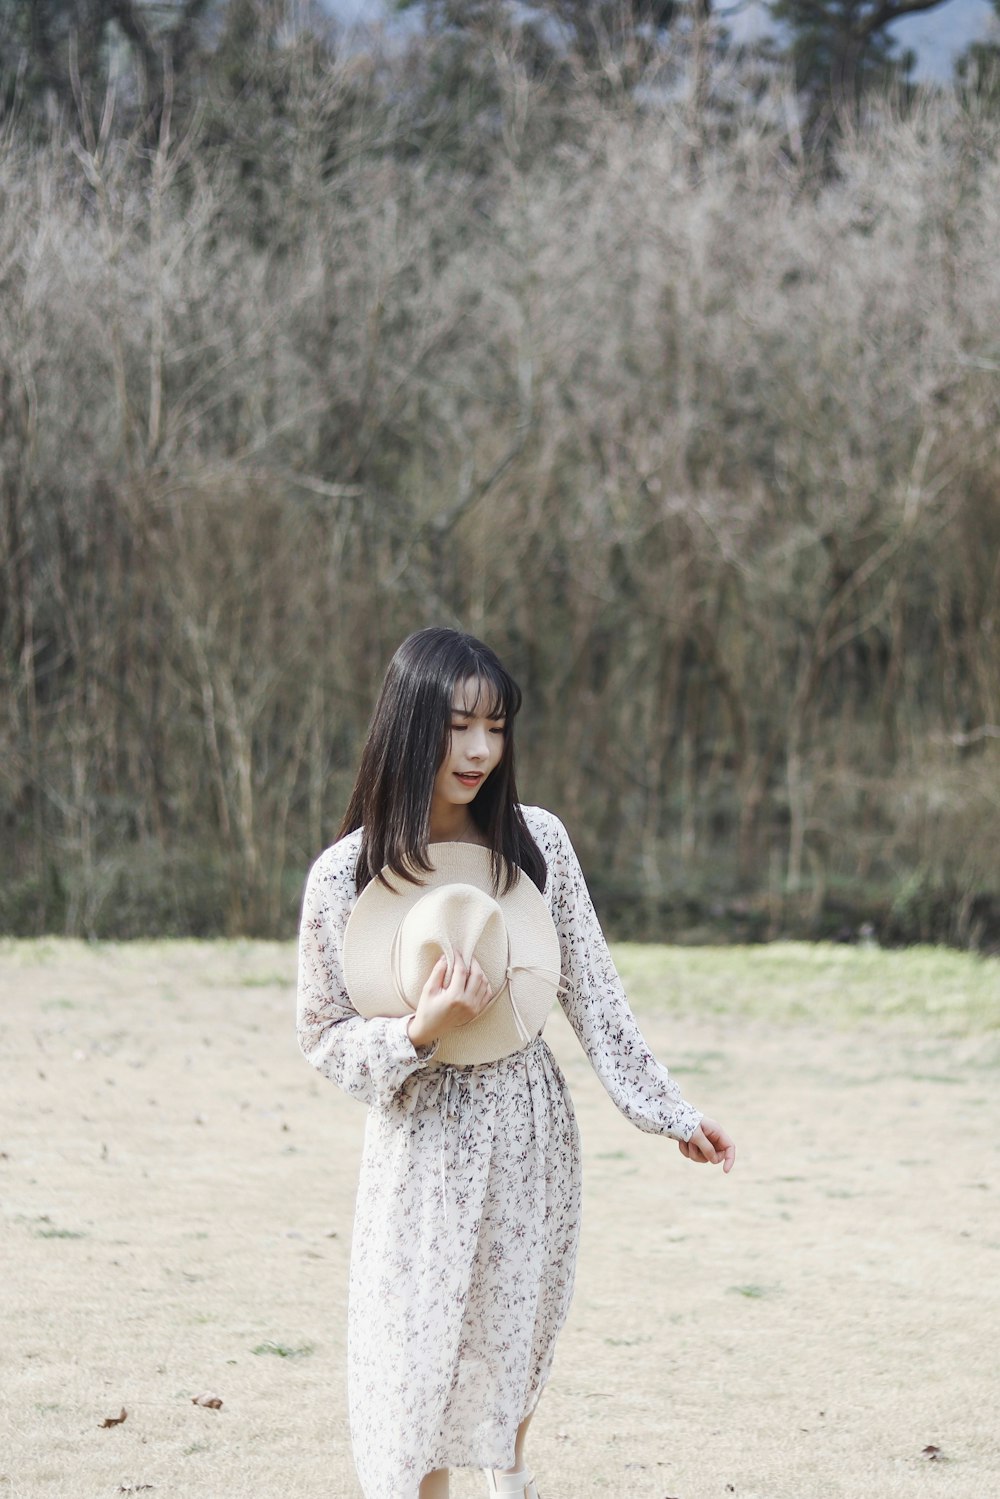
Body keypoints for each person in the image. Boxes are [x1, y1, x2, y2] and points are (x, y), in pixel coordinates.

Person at [296, 626, 735, 1499]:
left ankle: (512, 1482)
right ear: (411, 725)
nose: (481, 750)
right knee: (414, 1364)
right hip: (421, 1144)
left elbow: (597, 999)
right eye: (460, 725)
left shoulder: (538, 846)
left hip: (529, 1128)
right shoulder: (346, 875)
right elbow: (323, 1036)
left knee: (511, 1335)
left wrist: (669, 1113)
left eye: (496, 726)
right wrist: (418, 1030)